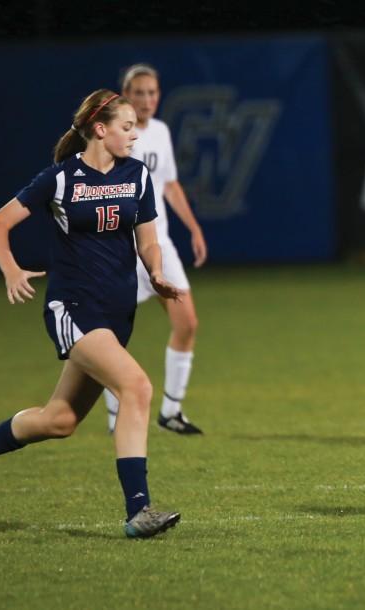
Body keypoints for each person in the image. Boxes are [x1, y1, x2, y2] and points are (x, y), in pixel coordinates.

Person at [0, 89, 184, 539]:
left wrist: (155, 270)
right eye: (127, 127)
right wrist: (11, 269)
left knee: (60, 421)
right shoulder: (60, 179)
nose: (135, 136)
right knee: (137, 387)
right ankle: (138, 510)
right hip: (73, 307)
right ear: (100, 129)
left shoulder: (137, 175)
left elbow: (148, 239)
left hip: (117, 314)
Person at [103, 63, 208, 436]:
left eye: (153, 93)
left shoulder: (161, 132)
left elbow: (170, 185)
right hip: (124, 248)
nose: (147, 100)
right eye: (139, 93)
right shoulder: (116, 135)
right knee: (112, 334)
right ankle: (115, 415)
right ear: (125, 96)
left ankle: (171, 412)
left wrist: (194, 228)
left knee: (187, 323)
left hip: (160, 243)